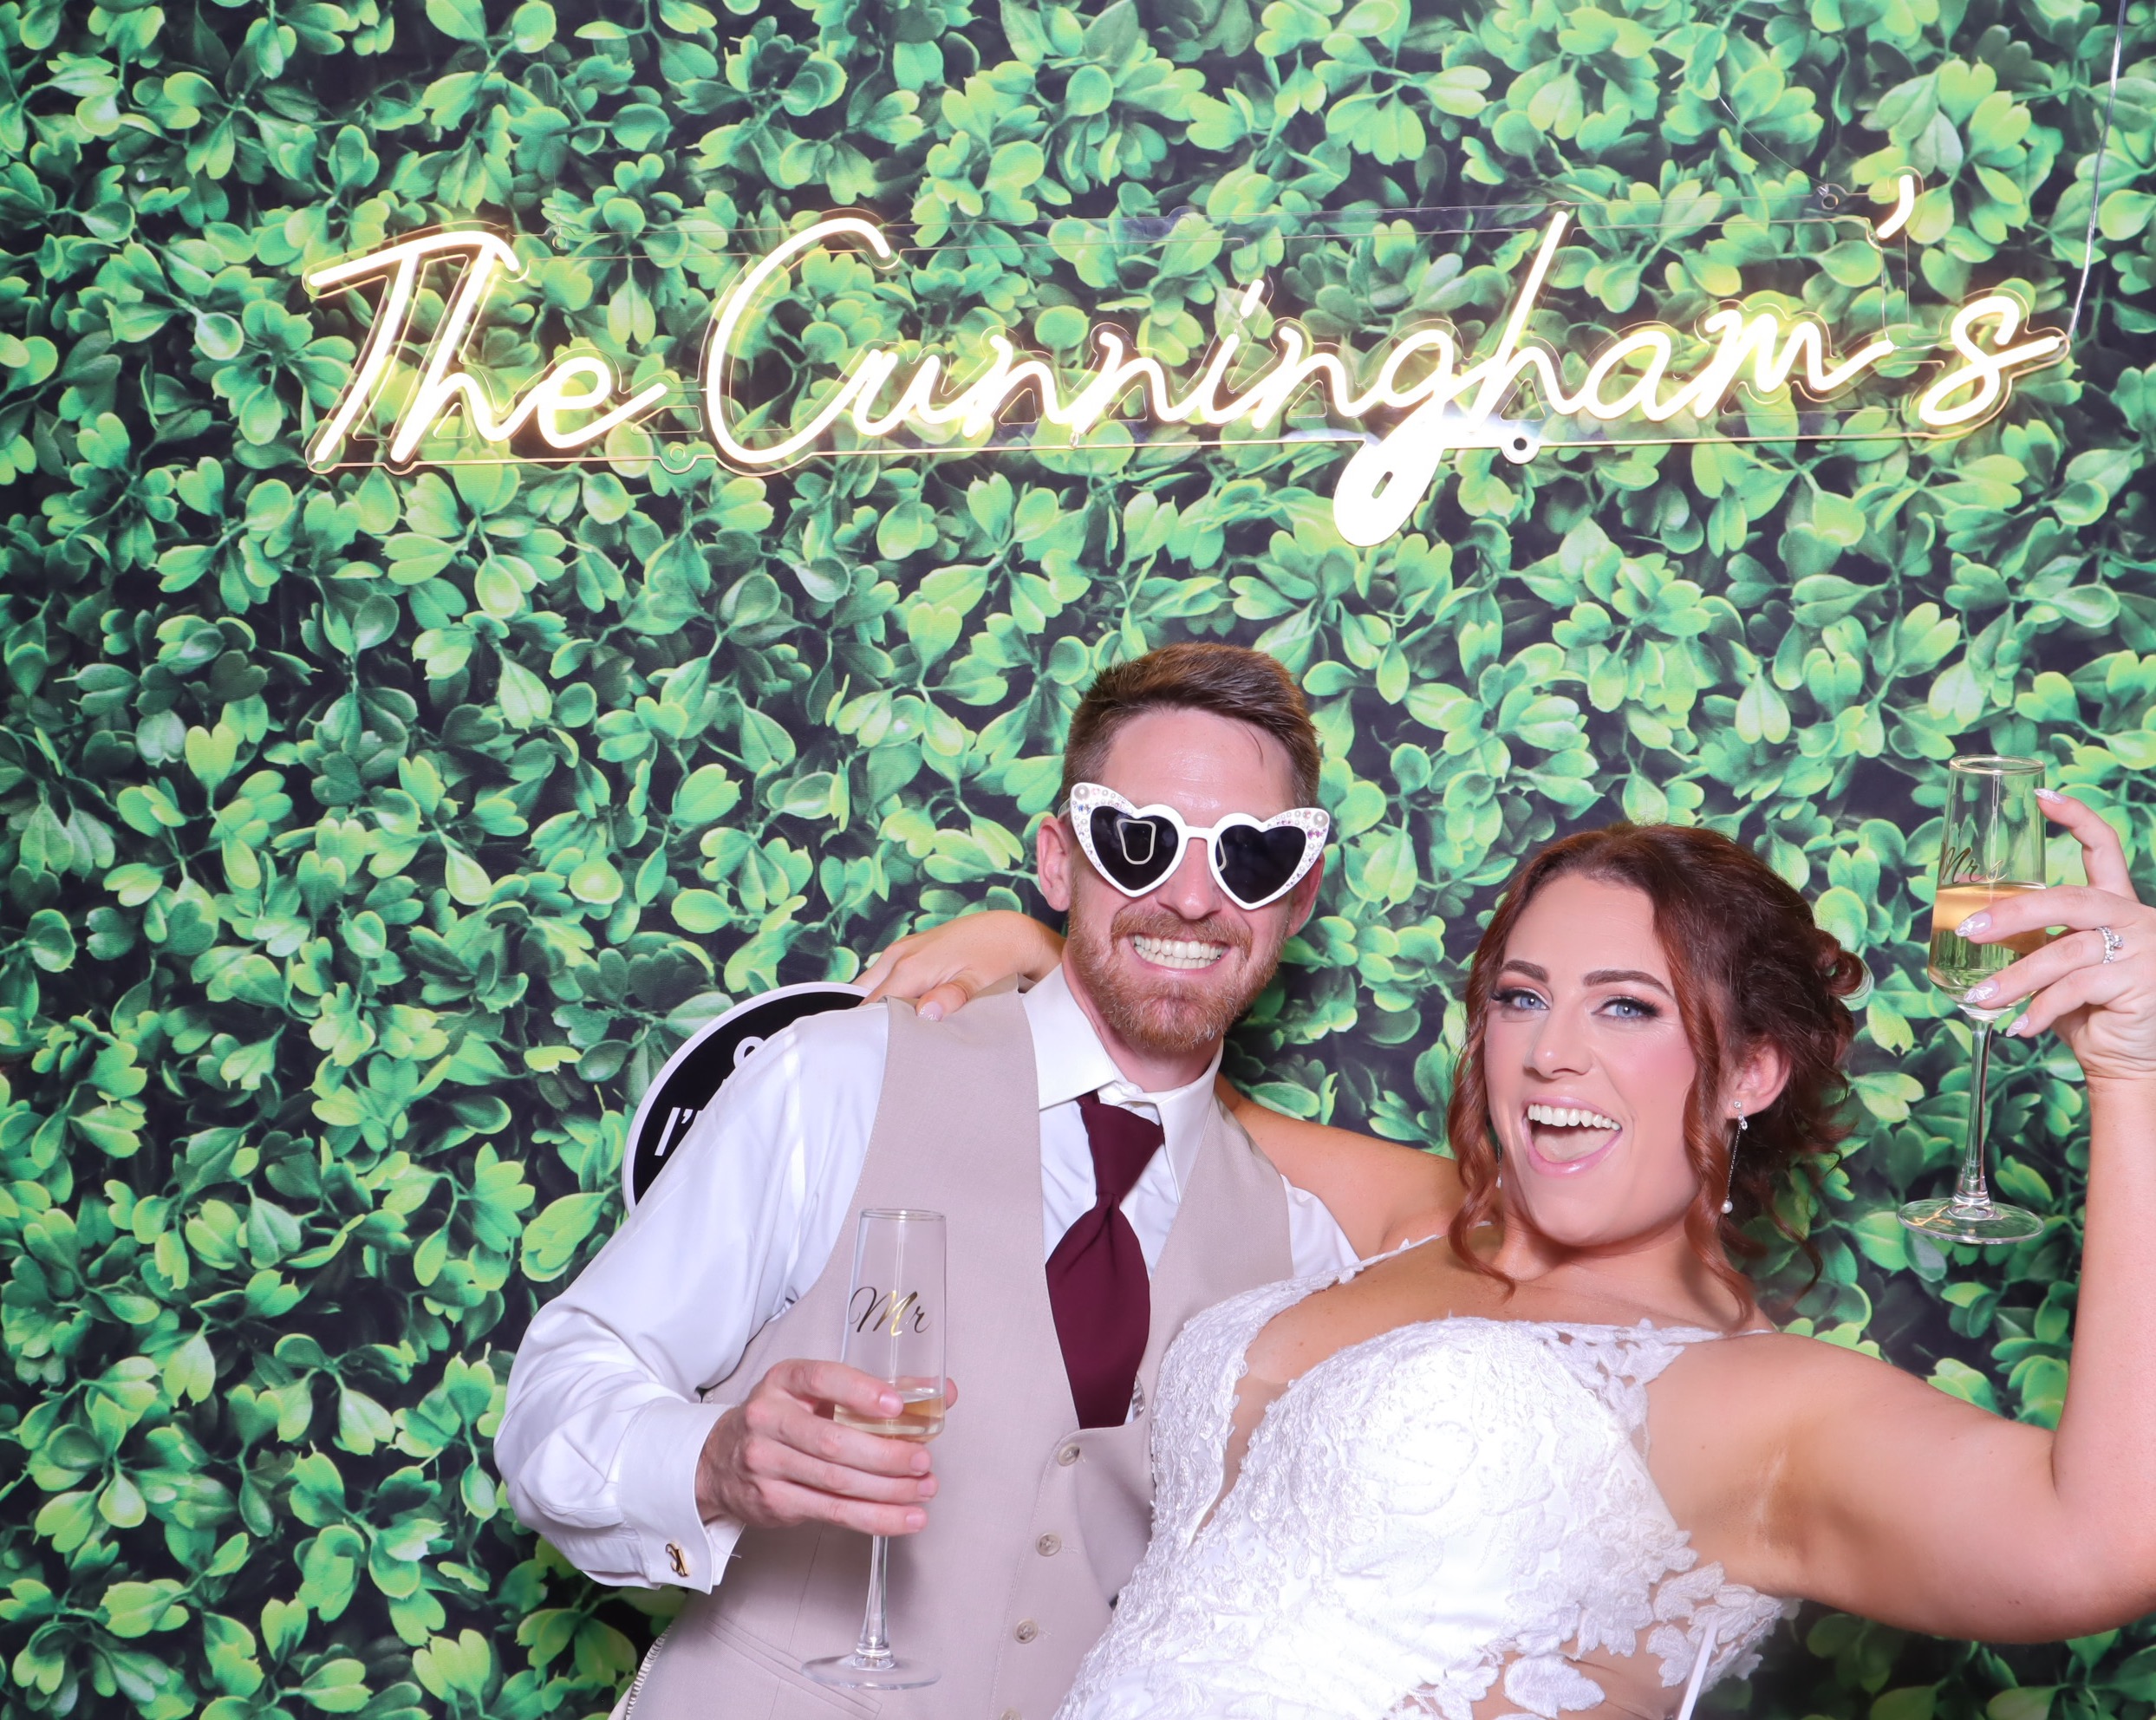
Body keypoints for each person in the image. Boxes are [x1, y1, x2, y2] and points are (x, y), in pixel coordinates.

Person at [875, 798, 2156, 1719]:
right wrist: (1061, 968)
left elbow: (2093, 1539)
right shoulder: (1427, 1221)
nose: (1550, 1051)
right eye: (1520, 995)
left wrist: (2132, 1071)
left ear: (1751, 1070)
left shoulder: (1758, 1406)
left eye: (1627, 1006)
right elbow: (1199, 1108)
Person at [492, 642, 1449, 1720]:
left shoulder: (1303, 1246)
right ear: (1058, 860)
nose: (1191, 898)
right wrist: (709, 1461)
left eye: (1250, 859)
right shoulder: (838, 1079)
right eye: (1136, 844)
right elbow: (560, 1389)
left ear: (1299, 895)